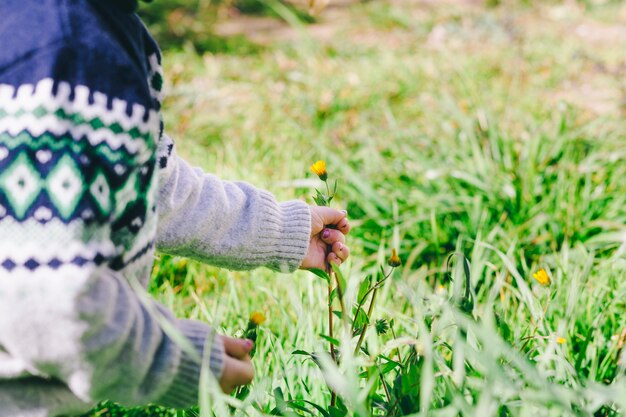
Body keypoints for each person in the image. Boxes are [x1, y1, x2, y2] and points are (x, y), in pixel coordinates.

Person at [0, 0, 351, 415]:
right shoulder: (71, 55)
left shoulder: (56, 27)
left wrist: (279, 231)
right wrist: (176, 360)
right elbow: (52, 302)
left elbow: (150, 188)